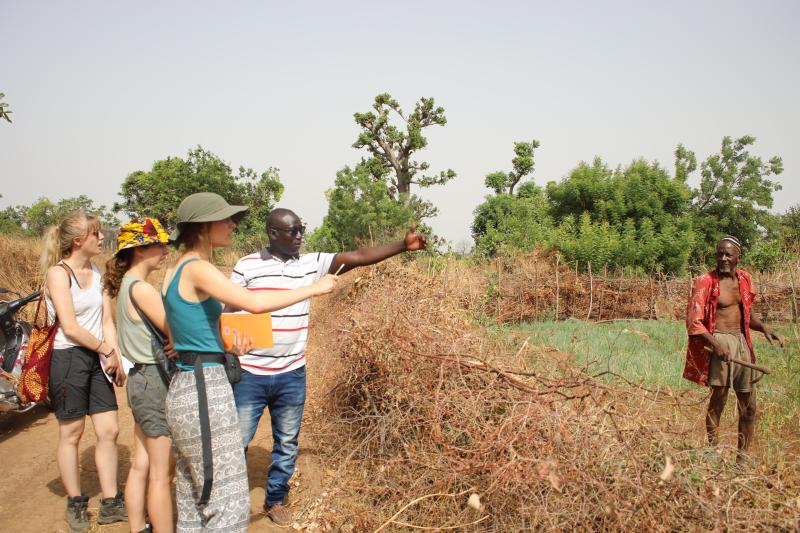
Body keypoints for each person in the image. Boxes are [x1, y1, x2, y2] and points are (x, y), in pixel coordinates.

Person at [230, 208, 427, 527]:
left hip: (292, 372)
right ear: (272, 233)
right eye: (292, 232)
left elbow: (360, 256)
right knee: (236, 440)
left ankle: (276, 499)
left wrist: (402, 246)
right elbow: (229, 308)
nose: (299, 237)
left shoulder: (310, 263)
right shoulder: (247, 266)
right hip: (250, 373)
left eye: (300, 230)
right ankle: (229, 499)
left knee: (287, 441)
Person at [161, 193, 338, 533]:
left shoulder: (175, 269)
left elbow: (183, 330)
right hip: (204, 389)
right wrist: (313, 290)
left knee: (194, 499)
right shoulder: (198, 268)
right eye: (225, 219)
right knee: (226, 503)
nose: (232, 224)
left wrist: (223, 344)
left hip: (190, 381)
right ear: (202, 226)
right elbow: (254, 303)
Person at [41, 210, 128, 533]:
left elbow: (108, 319)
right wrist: (105, 349)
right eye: (96, 234)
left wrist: (114, 353)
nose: (102, 238)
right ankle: (76, 501)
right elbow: (71, 327)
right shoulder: (58, 274)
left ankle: (111, 501)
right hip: (69, 359)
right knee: (72, 433)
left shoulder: (96, 270)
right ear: (79, 240)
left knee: (109, 431)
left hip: (98, 357)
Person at [684, 236, 785, 461]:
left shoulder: (745, 279)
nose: (723, 258)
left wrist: (765, 329)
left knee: (748, 406)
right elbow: (694, 322)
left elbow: (746, 315)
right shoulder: (705, 281)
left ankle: (742, 459)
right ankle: (713, 452)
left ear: (739, 257)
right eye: (720, 253)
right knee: (718, 399)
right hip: (717, 341)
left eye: (728, 254)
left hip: (741, 343)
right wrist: (716, 344)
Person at [103, 218, 173, 533]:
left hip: (140, 381)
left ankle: (136, 527)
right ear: (140, 250)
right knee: (161, 473)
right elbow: (177, 330)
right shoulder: (142, 288)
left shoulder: (127, 285)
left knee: (141, 465)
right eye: (159, 245)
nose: (164, 250)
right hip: (155, 383)